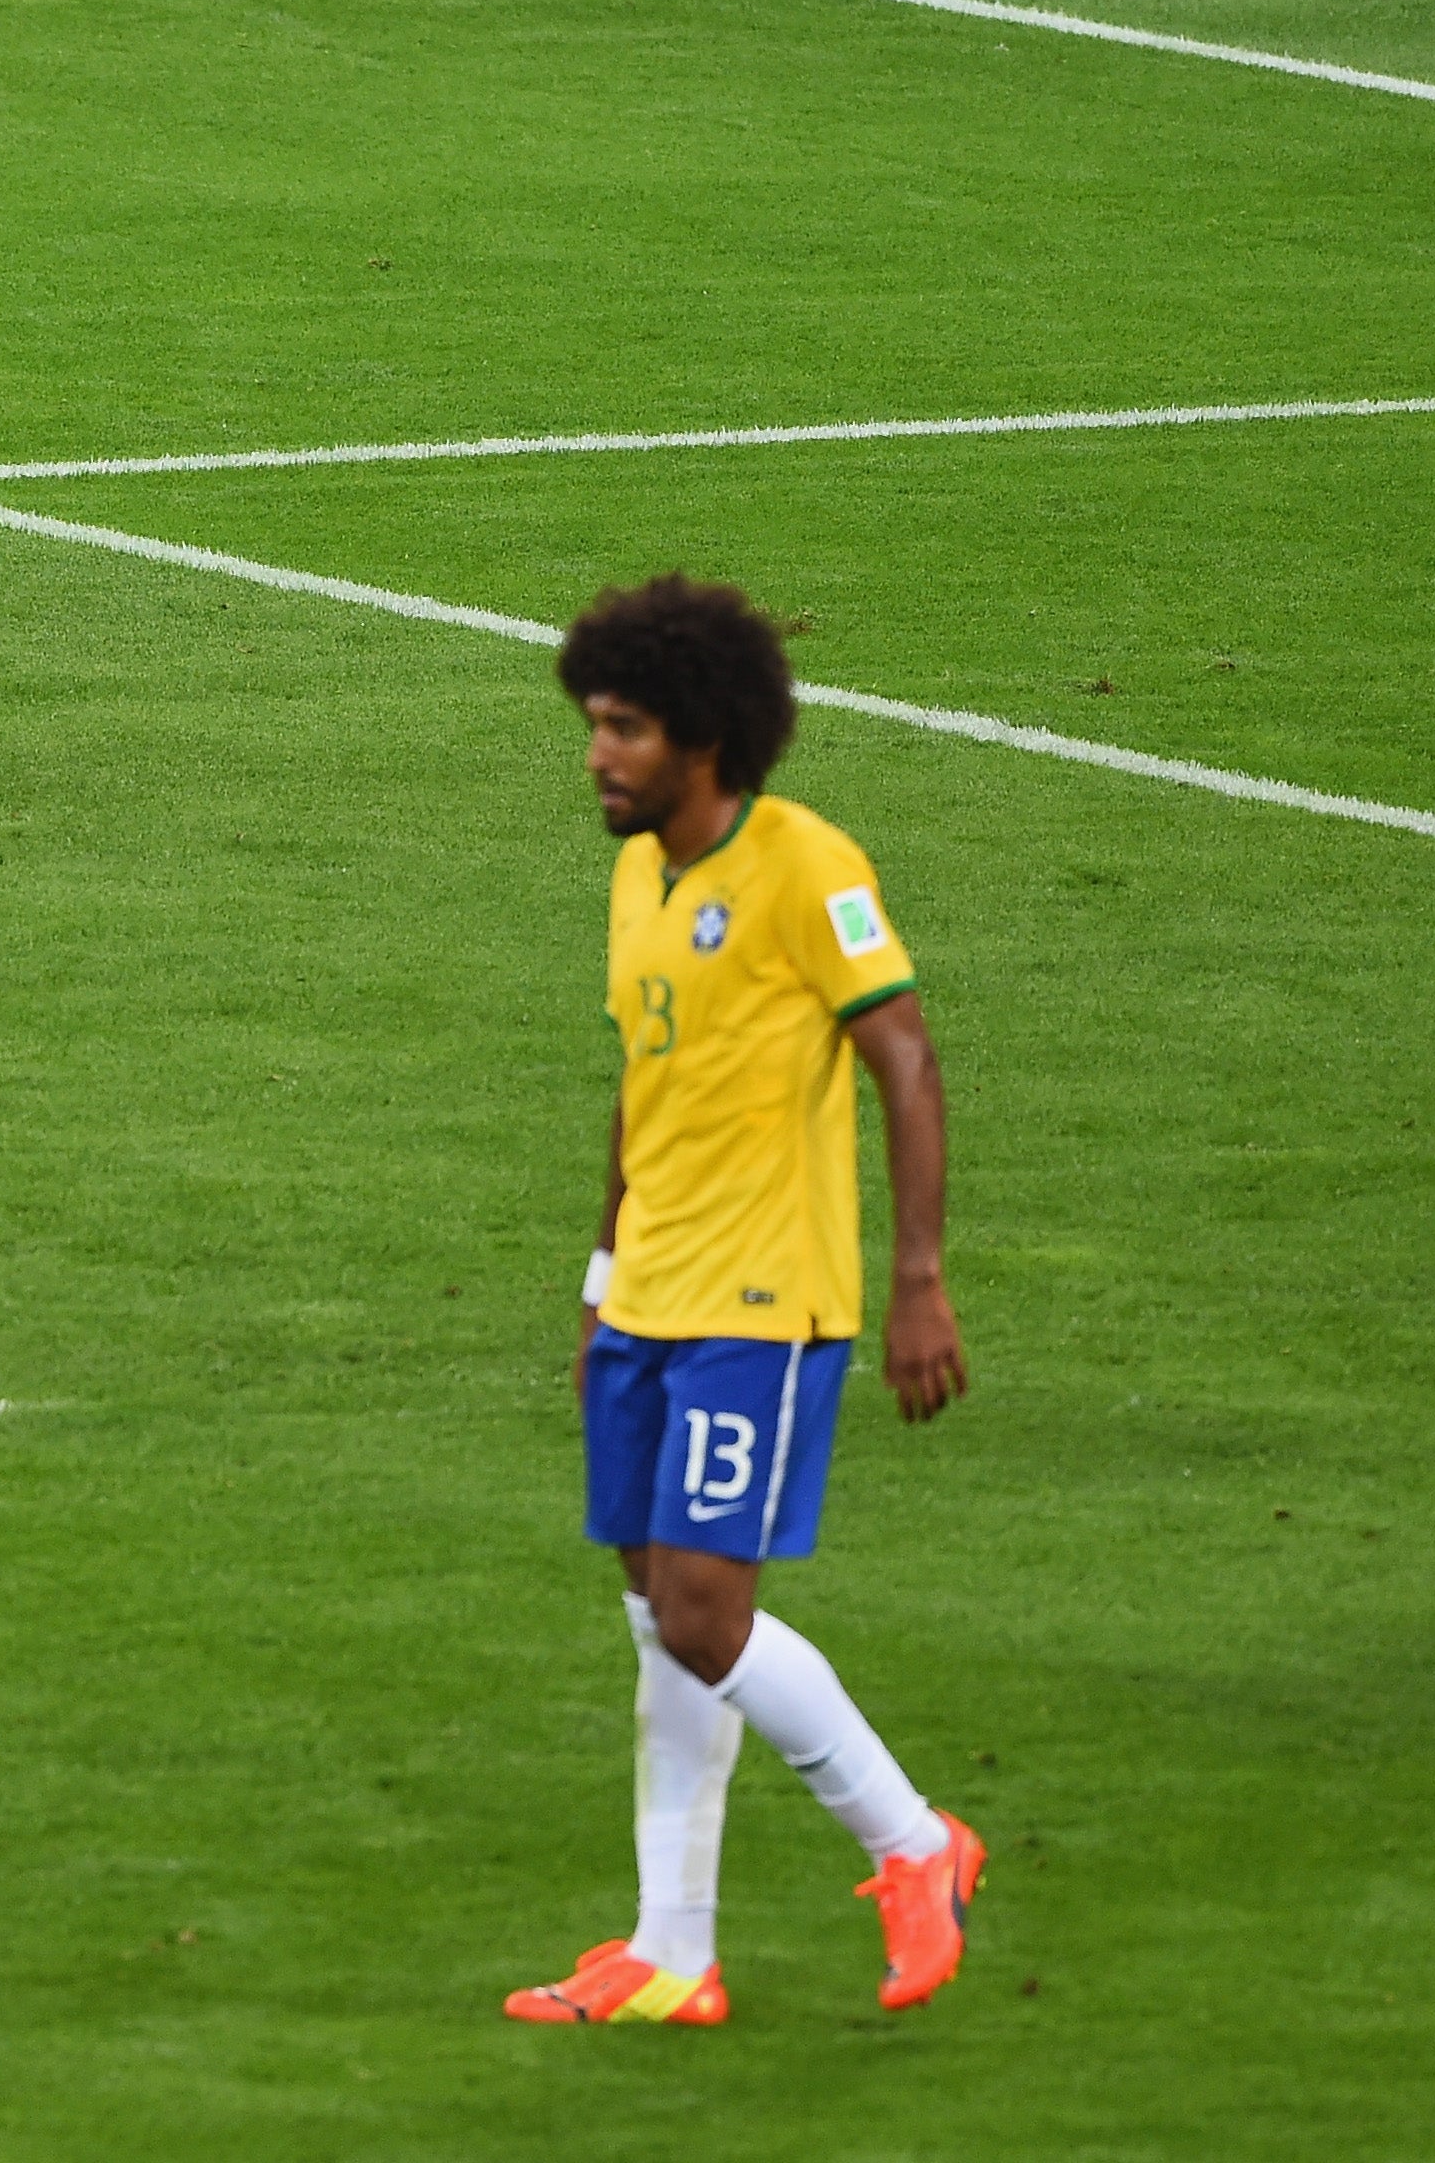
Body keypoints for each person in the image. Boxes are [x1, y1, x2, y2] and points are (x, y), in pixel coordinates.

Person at [501, 576, 979, 2030]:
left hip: (764, 1303)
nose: (598, 754)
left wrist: (916, 1278)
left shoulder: (801, 866)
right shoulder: (637, 873)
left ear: (703, 737)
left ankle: (916, 1846)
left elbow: (904, 1059)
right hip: (648, 1294)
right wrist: (598, 1285)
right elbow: (637, 1101)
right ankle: (672, 1951)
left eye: (626, 728)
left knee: (709, 1616)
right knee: (658, 1610)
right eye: (593, 722)